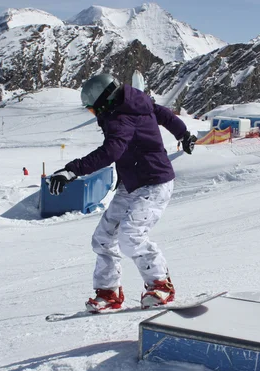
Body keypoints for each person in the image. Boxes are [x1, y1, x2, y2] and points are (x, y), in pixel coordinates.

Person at [47, 73, 196, 312]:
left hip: (154, 182)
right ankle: (109, 292)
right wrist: (183, 134)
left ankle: (161, 285)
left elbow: (111, 151)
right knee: (104, 238)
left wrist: (71, 171)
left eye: (93, 110)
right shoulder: (136, 103)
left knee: (131, 236)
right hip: (131, 182)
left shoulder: (121, 117)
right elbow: (163, 114)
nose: (94, 116)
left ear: (104, 102)